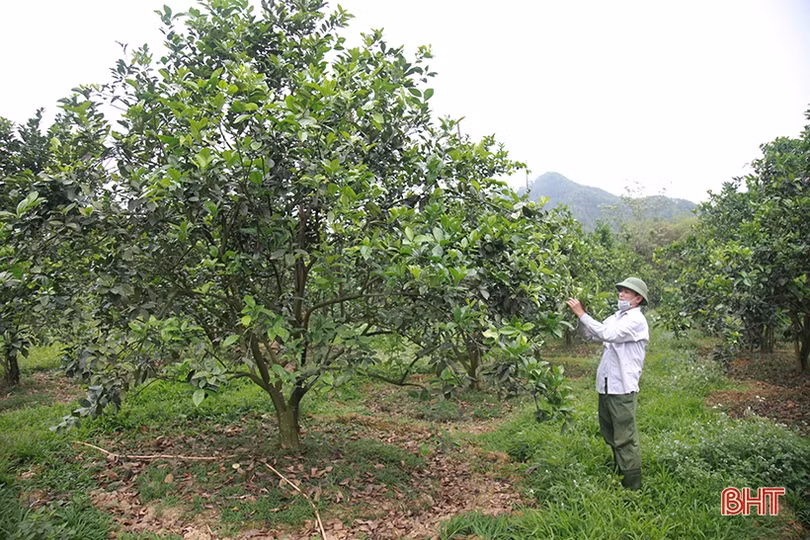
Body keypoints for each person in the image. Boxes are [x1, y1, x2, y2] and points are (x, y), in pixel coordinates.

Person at [566, 277, 649, 490]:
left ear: (638, 299)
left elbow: (607, 334)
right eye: (620, 291)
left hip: (622, 386)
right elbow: (594, 336)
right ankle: (620, 472)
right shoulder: (616, 317)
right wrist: (580, 318)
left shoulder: (635, 320)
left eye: (627, 292)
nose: (621, 294)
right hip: (606, 384)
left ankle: (633, 487)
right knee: (610, 431)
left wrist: (582, 314)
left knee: (624, 437)